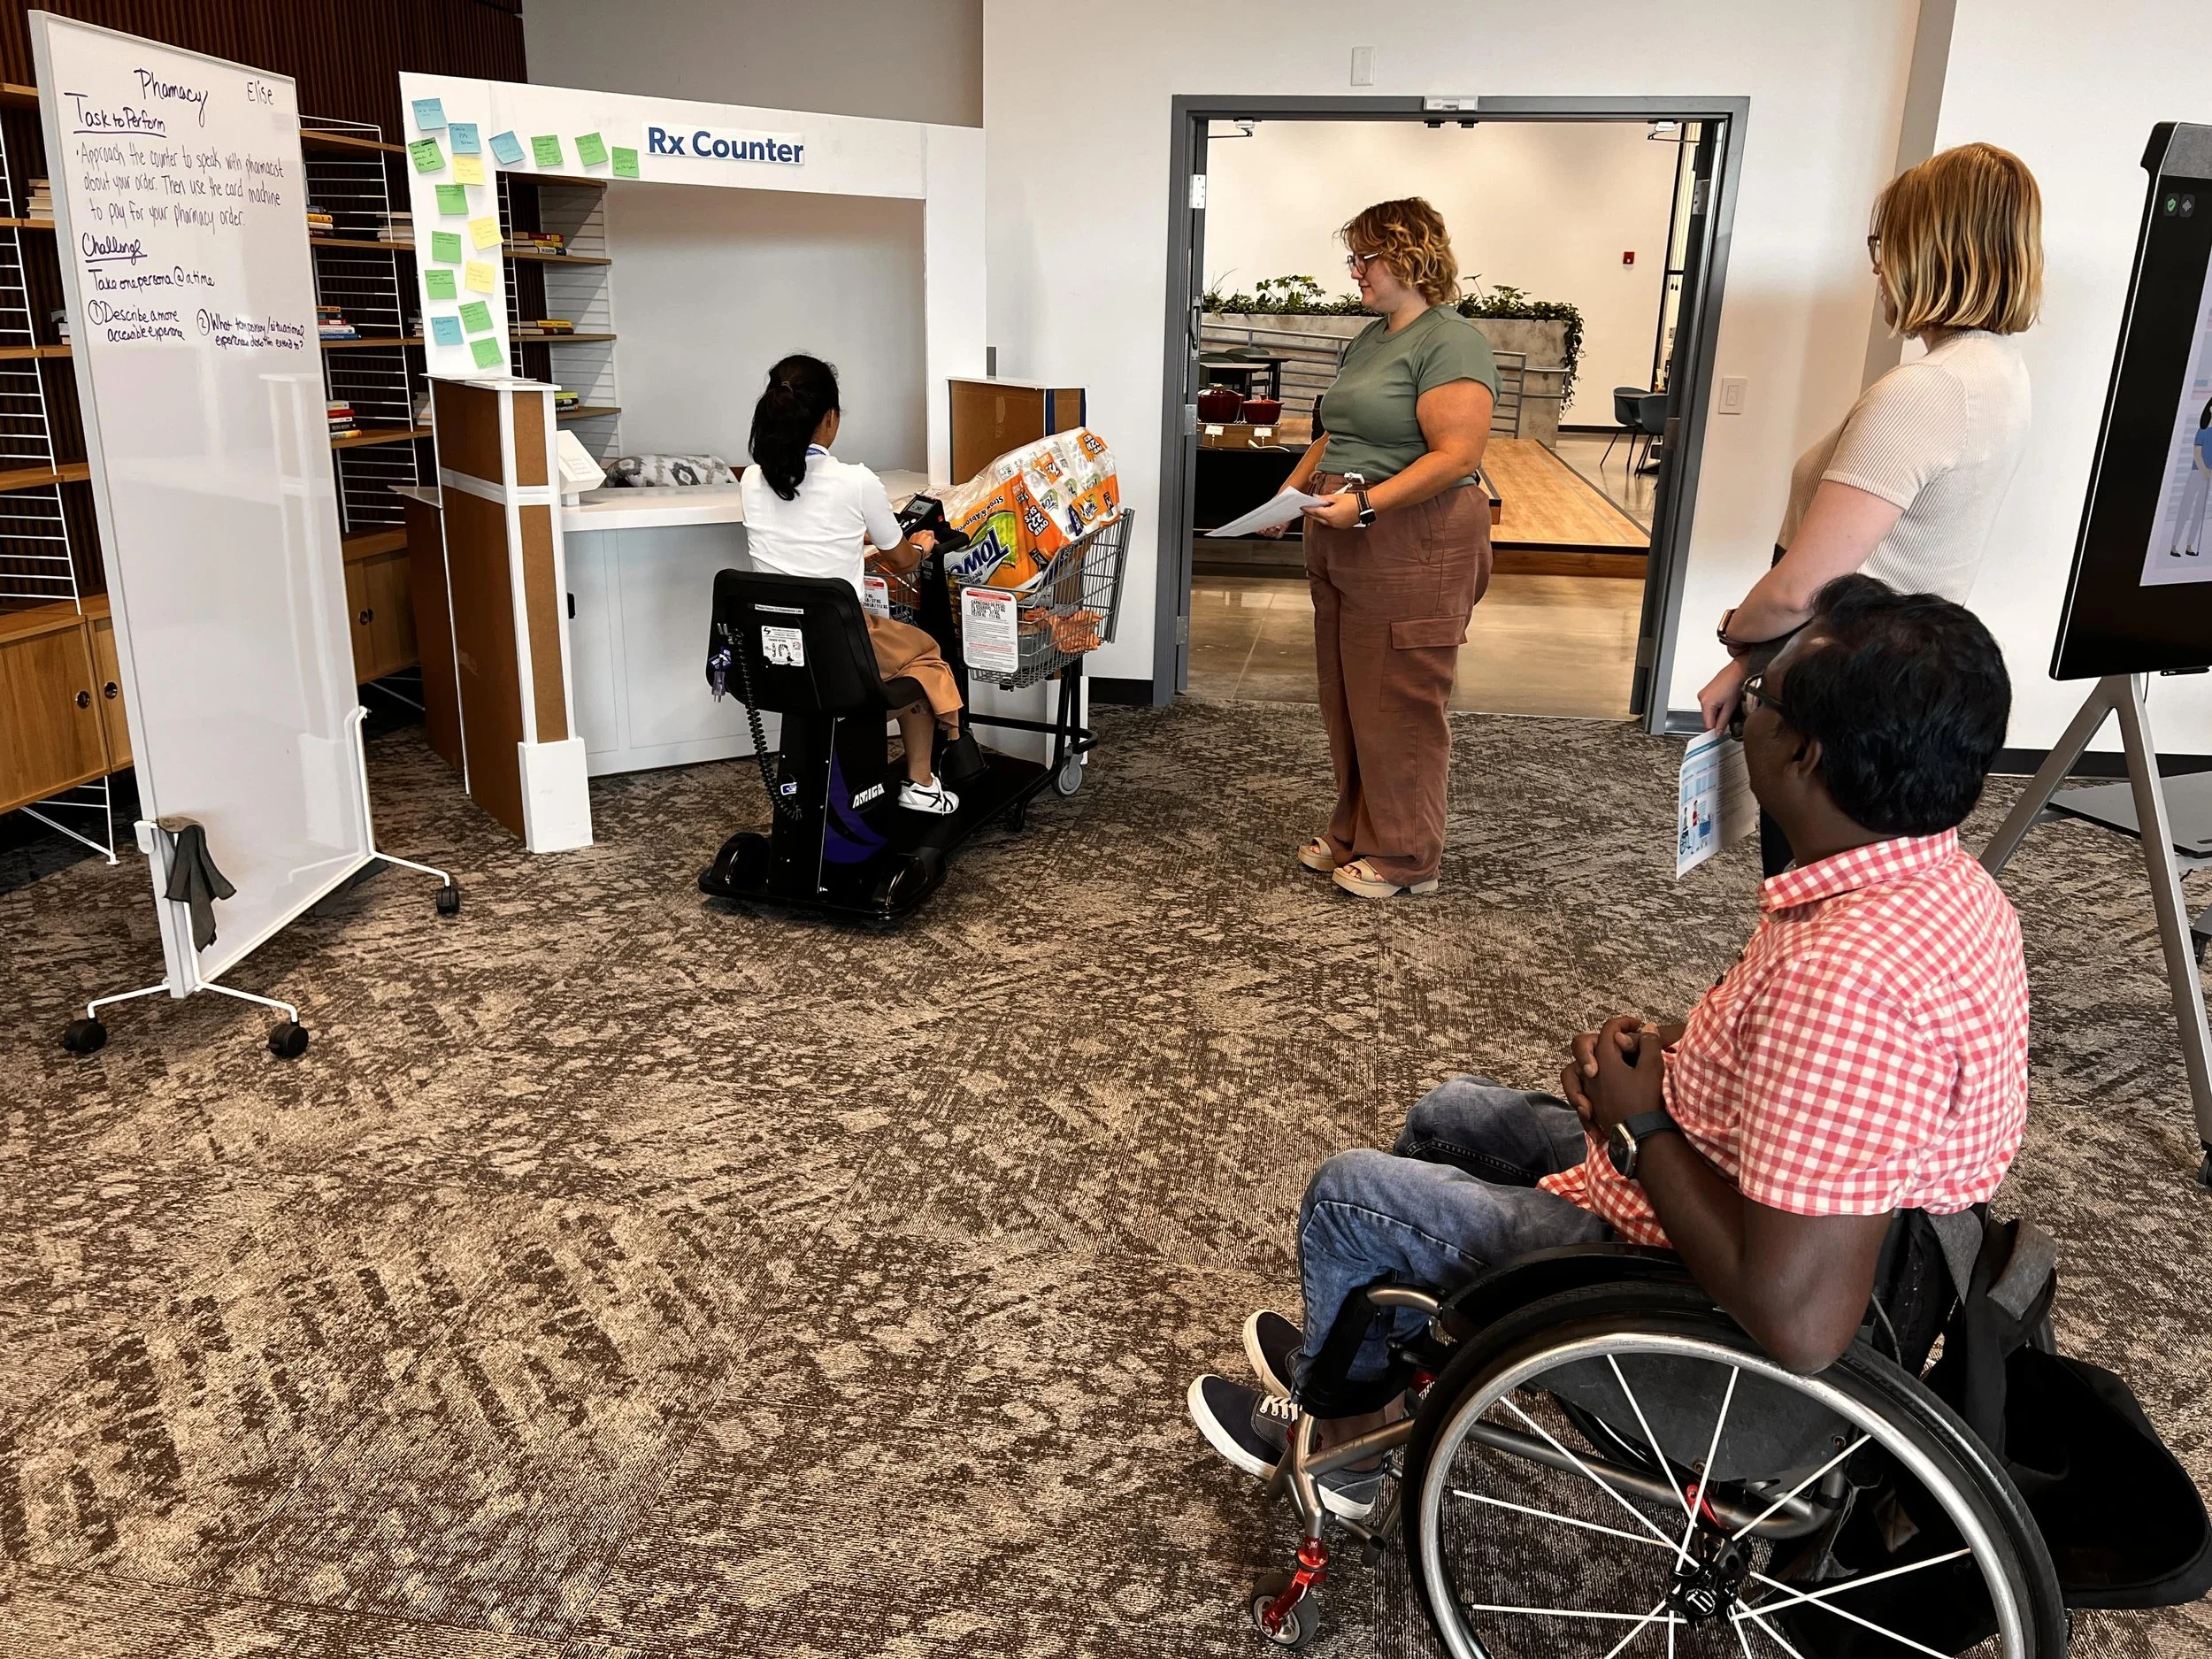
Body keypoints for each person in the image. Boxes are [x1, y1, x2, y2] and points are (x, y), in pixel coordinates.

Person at [1188, 576, 2025, 1516]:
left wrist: (1646, 1125)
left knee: (1351, 1196)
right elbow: (1824, 1100)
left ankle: (1341, 1445)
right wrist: (1674, 1055)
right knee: (1452, 1112)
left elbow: (1796, 1323)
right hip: (1751, 1194)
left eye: (1760, 696)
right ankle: (1372, 1362)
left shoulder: (1848, 984)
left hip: (1698, 1303)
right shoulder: (1939, 888)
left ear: (1801, 751)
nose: (1743, 711)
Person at [1699, 142, 2041, 876]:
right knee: (1866, 892)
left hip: (1843, 691)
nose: (1878, 265)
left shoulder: (1925, 391)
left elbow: (1803, 586)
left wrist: (1736, 638)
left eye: (1885, 243)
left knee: (1812, 888)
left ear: (1930, 247)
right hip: (1903, 688)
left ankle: (1790, 994)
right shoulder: (2000, 373)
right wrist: (1752, 665)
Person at [1260, 197, 1500, 900]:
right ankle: (1357, 829)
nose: (1355, 271)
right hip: (1342, 532)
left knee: (1400, 700)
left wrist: (1364, 502)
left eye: (1366, 256)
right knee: (1349, 696)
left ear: (1411, 255)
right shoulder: (1371, 339)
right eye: (1355, 257)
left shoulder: (1451, 341)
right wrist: (1291, 492)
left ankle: (1407, 855)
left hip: (1411, 536)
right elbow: (1337, 432)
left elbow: (1458, 455)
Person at [741, 353, 966, 815]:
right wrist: (921, 544)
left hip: (777, 654)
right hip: (842, 651)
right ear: (829, 418)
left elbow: (799, 530)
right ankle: (921, 784)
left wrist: (854, 532)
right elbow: (901, 560)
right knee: (926, 655)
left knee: (874, 650)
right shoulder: (856, 481)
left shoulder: (751, 480)